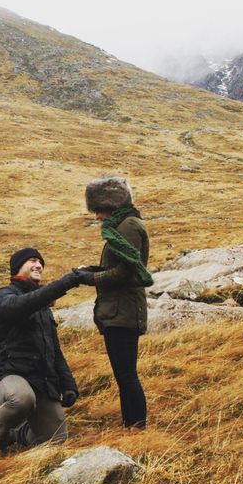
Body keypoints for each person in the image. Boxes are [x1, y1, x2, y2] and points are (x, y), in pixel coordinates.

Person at [0, 247, 82, 459]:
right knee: (21, 399)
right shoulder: (4, 295)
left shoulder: (44, 308)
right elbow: (21, 306)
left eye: (41, 263)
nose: (39, 265)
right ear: (18, 267)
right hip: (11, 374)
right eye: (33, 261)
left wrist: (68, 384)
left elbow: (55, 350)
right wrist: (64, 283)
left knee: (55, 441)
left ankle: (16, 434)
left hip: (42, 381)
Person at [76, 177, 152, 429]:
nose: (97, 216)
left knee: (127, 375)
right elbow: (117, 266)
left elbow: (125, 272)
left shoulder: (128, 226)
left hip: (123, 311)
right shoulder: (123, 224)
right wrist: (91, 269)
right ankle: (131, 425)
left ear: (109, 204)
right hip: (119, 310)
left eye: (98, 209)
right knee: (123, 374)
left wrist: (90, 278)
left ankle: (137, 427)